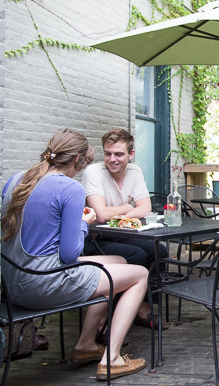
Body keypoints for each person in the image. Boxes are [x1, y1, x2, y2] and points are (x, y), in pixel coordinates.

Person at [0, 129, 148, 380]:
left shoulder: (16, 180)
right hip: (42, 284)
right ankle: (111, 359)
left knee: (119, 262)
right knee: (140, 274)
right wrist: (84, 222)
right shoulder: (70, 188)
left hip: (12, 282)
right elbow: (70, 254)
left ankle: (86, 345)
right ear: (77, 161)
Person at [81, 128, 169, 330]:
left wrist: (118, 214)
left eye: (119, 154)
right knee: (135, 255)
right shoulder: (93, 172)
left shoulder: (134, 171)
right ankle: (112, 317)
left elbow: (146, 209)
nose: (112, 159)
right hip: (95, 238)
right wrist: (129, 208)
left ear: (131, 155)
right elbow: (101, 214)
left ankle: (143, 309)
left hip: (120, 234)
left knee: (159, 251)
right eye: (108, 153)